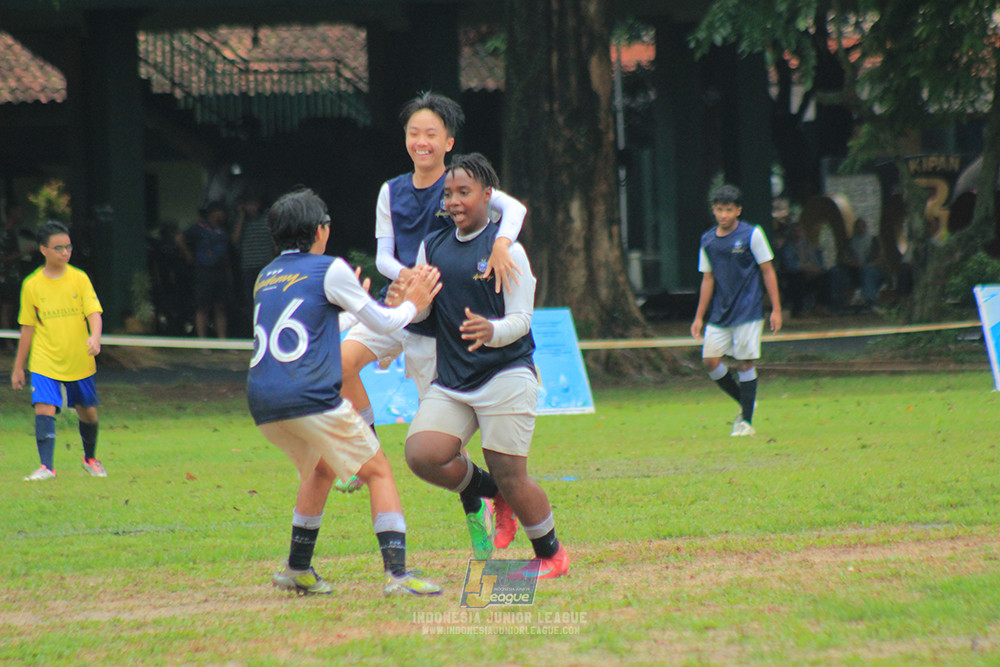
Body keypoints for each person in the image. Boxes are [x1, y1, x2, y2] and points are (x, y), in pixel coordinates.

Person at [339, 92, 528, 558]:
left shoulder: (463, 182)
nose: (420, 141)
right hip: (400, 303)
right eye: (413, 133)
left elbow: (515, 211)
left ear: (449, 142)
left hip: (438, 324)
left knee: (442, 445)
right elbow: (383, 253)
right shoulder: (391, 190)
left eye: (430, 134)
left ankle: (483, 507)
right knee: (338, 364)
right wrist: (405, 278)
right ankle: (366, 455)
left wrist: (502, 243)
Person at [247, 187, 444, 596]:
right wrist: (413, 302)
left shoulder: (265, 276)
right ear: (321, 230)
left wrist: (342, 306)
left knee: (321, 469)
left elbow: (307, 334)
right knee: (378, 472)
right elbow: (386, 323)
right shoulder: (328, 269)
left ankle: (297, 569)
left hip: (263, 401)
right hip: (308, 396)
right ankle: (398, 575)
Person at [404, 153, 569, 580]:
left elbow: (522, 321)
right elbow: (424, 316)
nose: (454, 201)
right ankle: (495, 493)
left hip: (506, 373)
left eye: (464, 192)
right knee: (422, 455)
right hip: (454, 379)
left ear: (487, 197)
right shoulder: (433, 245)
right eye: (448, 193)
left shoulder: (507, 249)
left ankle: (551, 554)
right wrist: (406, 305)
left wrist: (489, 331)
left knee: (513, 474)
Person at [11, 220, 105, 480]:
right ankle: (47, 467)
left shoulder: (79, 278)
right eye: (58, 248)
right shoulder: (31, 285)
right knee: (44, 406)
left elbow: (94, 312)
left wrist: (95, 337)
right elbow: (27, 328)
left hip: (78, 357)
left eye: (68, 247)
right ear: (43, 250)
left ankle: (91, 459)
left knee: (87, 410)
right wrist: (19, 367)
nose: (65, 252)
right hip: (45, 358)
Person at [691, 184, 782, 437]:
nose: (723, 215)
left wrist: (775, 309)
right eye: (719, 210)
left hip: (748, 309)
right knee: (710, 361)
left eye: (728, 210)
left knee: (744, 363)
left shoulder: (752, 234)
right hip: (720, 312)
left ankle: (746, 423)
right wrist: (699, 316)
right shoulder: (708, 240)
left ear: (738, 211)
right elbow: (707, 278)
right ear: (714, 210)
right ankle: (746, 399)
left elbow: (767, 270)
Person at [176, 201, 231, 340]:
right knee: (202, 307)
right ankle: (202, 341)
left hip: (221, 272)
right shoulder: (199, 227)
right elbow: (179, 237)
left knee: (221, 307)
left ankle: (223, 341)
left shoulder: (224, 229)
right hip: (204, 271)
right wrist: (187, 254)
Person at [231, 193, 275, 337]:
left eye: (253, 204)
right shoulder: (241, 222)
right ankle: (254, 333)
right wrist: (242, 216)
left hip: (266, 267)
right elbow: (235, 240)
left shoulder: (267, 219)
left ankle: (270, 331)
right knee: (251, 302)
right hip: (248, 268)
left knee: (268, 300)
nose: (251, 207)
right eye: (248, 204)